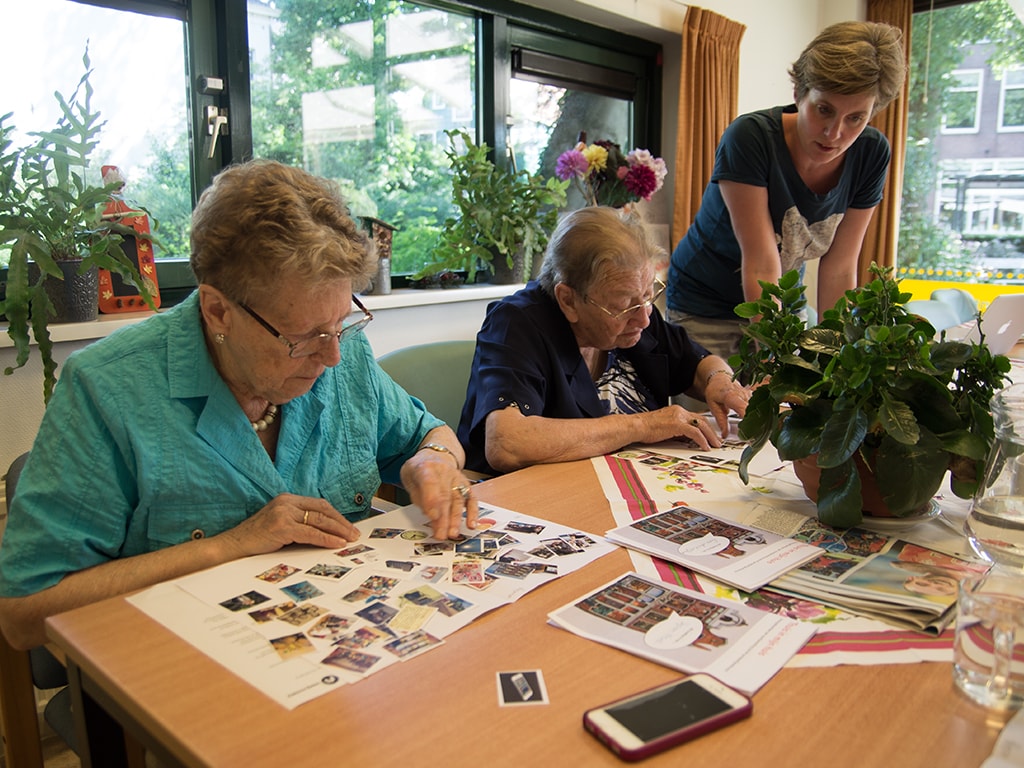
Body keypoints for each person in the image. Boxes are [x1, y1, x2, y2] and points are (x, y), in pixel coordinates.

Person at [0, 159, 478, 650]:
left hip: (342, 645)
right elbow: (25, 612)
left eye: (341, 322)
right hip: (183, 664)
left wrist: (433, 462)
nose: (332, 356)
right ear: (217, 310)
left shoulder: (340, 348)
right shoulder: (107, 389)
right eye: (303, 338)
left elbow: (427, 435)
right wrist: (230, 545)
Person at [666, 21, 907, 360]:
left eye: (856, 118)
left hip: (785, 300)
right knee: (713, 410)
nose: (834, 133)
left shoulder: (871, 153)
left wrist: (836, 357)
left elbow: (840, 265)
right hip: (705, 302)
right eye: (824, 109)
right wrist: (773, 357)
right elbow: (762, 262)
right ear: (799, 93)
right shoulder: (750, 138)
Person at [457, 206, 750, 476]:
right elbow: (507, 444)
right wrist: (643, 425)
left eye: (649, 295)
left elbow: (696, 362)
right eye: (623, 305)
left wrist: (721, 381)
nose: (644, 319)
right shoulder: (517, 324)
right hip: (527, 502)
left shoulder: (636, 313)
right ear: (568, 300)